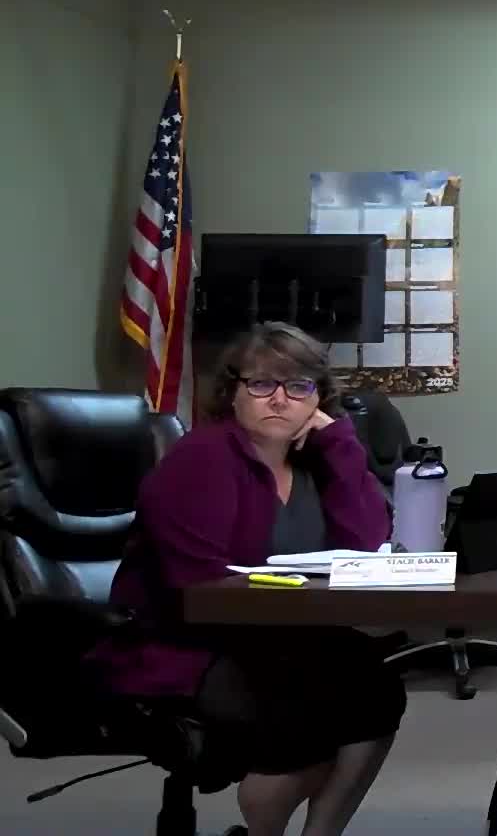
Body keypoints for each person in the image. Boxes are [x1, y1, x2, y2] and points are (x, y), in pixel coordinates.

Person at [90, 322, 403, 836]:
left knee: (377, 688)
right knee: (302, 707)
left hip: (283, 634)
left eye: (298, 386)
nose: (279, 399)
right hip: (188, 642)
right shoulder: (203, 458)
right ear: (231, 393)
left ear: (318, 399)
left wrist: (339, 443)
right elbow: (196, 584)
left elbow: (366, 543)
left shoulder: (317, 458)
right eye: (261, 384)